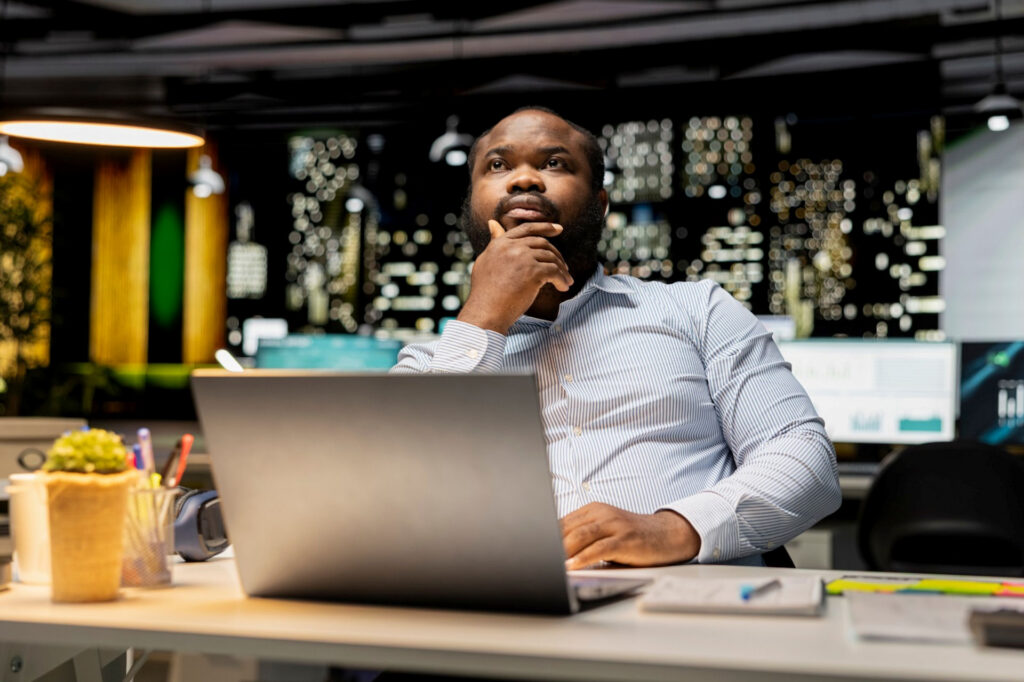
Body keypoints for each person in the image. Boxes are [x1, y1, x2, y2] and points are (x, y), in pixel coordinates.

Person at [392, 106, 841, 567]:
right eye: (498, 165)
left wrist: (677, 527)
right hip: (512, 613)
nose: (523, 180)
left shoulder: (698, 310)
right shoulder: (428, 365)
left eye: (554, 163)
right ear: (471, 204)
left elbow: (805, 459)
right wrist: (485, 316)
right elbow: (388, 486)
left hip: (687, 609)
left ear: (600, 205)